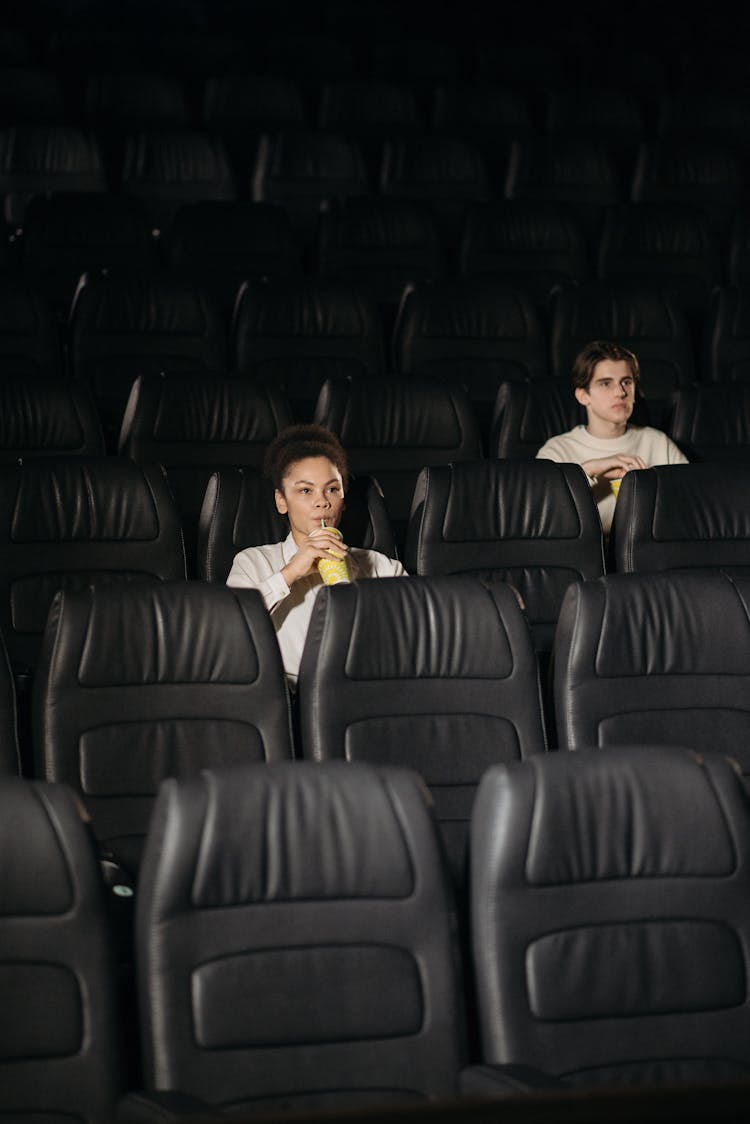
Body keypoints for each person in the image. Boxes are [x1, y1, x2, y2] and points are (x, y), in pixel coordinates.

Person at [227, 423, 405, 687]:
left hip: (370, 693)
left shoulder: (382, 567)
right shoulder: (253, 562)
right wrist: (290, 574)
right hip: (289, 700)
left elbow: (415, 636)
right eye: (305, 490)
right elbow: (226, 631)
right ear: (281, 501)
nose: (322, 501)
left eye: (332, 489)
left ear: (343, 499)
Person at [536, 340, 688, 534]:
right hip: (581, 559)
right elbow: (538, 515)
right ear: (583, 396)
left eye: (626, 382)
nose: (620, 392)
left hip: (649, 556)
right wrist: (587, 472)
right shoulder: (557, 450)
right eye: (605, 383)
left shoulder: (658, 442)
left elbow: (690, 506)